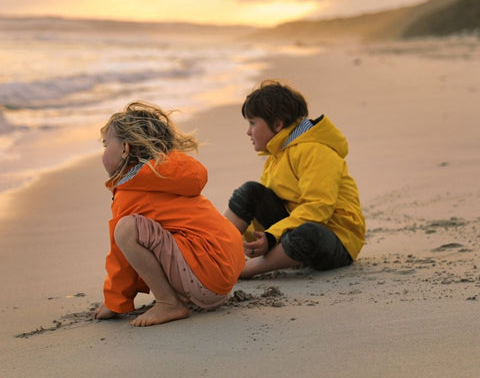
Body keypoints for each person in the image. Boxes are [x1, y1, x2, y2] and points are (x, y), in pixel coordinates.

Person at [95, 101, 245, 327]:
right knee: (146, 231)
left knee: (125, 230)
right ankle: (180, 294)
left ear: (125, 149)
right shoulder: (165, 175)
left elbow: (121, 258)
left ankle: (168, 303)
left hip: (207, 276)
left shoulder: (134, 188)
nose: (103, 152)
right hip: (224, 269)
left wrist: (114, 302)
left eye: (106, 145)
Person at [224, 80, 366, 279]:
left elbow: (318, 207)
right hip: (291, 232)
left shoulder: (315, 150)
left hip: (335, 240)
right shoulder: (277, 155)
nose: (248, 132)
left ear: (278, 124)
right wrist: (252, 241)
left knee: (307, 232)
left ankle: (245, 271)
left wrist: (273, 236)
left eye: (253, 123)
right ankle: (215, 249)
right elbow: (265, 209)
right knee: (251, 192)